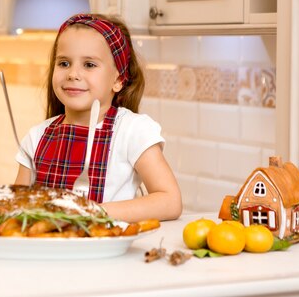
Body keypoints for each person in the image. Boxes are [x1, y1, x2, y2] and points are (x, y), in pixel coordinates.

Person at [14, 13, 182, 223]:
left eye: (89, 65)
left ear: (119, 79)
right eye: (64, 63)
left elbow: (170, 201)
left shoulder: (131, 131)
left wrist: (92, 212)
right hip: (47, 252)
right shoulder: (36, 136)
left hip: (110, 253)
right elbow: (16, 206)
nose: (73, 74)